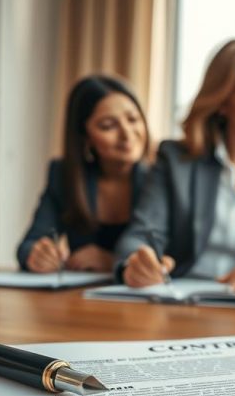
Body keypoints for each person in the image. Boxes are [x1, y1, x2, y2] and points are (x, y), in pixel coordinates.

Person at [115, 40, 235, 294]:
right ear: (222, 103)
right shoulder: (175, 159)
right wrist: (135, 264)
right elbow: (141, 234)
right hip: (179, 298)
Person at [17, 76, 149, 273]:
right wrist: (37, 255)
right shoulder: (64, 176)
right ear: (85, 136)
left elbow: (178, 256)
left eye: (133, 119)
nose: (127, 134)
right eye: (108, 126)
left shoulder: (160, 178)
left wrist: (113, 260)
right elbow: (28, 244)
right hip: (81, 291)